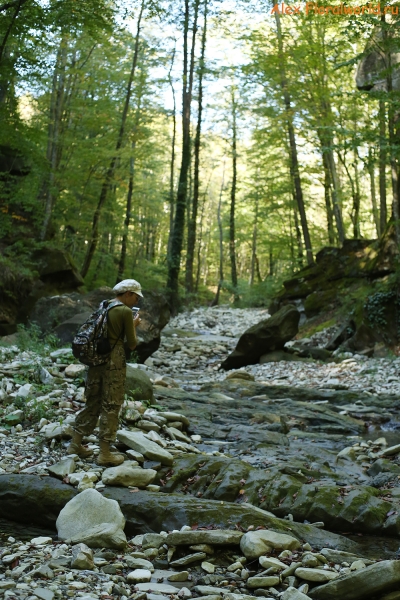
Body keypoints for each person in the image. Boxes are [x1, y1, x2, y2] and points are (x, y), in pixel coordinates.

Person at [67, 279, 142, 466]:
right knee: (111, 404)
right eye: (136, 297)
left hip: (95, 359)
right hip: (113, 360)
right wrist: (134, 325)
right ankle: (105, 453)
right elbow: (132, 344)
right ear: (128, 294)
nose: (137, 301)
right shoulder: (124, 311)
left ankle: (75, 444)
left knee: (93, 400)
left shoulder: (105, 305)